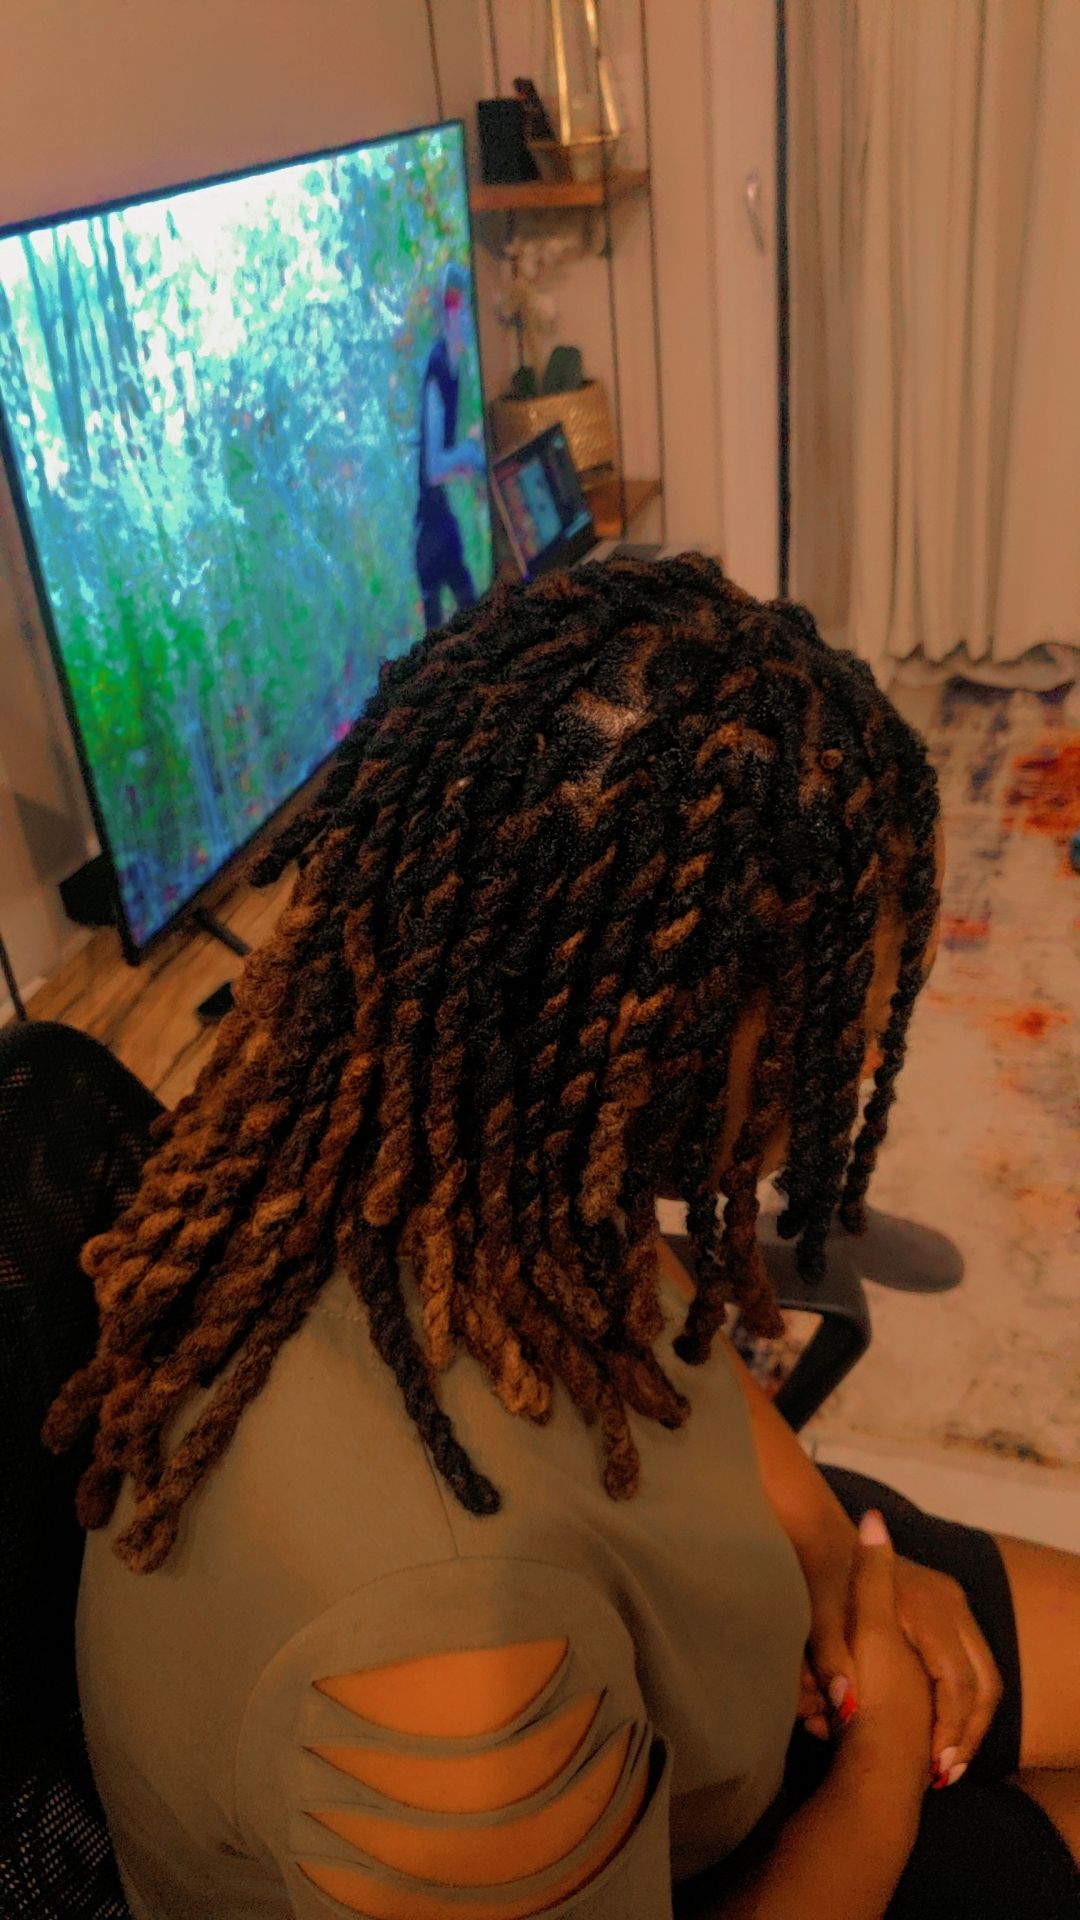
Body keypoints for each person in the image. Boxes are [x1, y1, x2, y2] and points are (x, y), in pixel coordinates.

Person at [46, 558, 1080, 1919]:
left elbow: (647, 1315)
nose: (858, 1060)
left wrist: (841, 1559)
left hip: (748, 1606)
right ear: (656, 1046)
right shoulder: (446, 1660)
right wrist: (884, 1754)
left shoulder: (486, 1159)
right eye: (836, 1024)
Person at [414, 260, 484, 630]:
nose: (471, 323)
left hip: (441, 527)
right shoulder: (438, 367)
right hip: (432, 537)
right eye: (466, 311)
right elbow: (434, 469)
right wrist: (470, 455)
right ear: (453, 312)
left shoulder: (451, 368)